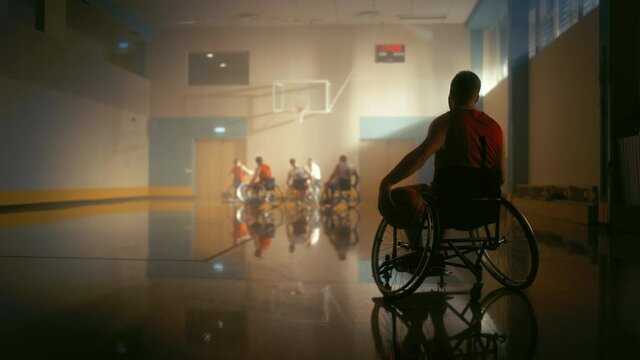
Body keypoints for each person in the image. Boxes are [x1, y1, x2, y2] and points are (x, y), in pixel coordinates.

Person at [378, 70, 505, 239]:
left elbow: (421, 157)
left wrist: (388, 181)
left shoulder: (447, 122)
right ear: (476, 98)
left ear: (450, 95)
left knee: (404, 196)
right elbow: (501, 177)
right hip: (486, 207)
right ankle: (439, 249)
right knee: (446, 191)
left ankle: (417, 251)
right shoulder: (496, 128)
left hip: (448, 204)